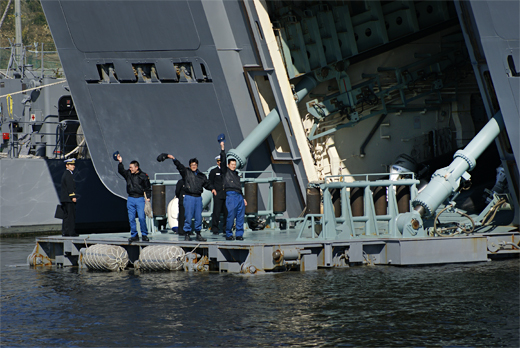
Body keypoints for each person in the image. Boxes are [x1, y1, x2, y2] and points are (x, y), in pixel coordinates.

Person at [166, 154, 216, 241]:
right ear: (190, 166)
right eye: (192, 165)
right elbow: (180, 167)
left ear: (197, 166)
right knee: (188, 216)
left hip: (198, 198)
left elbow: (207, 183)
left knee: (198, 217)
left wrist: (212, 188)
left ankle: (198, 234)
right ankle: (187, 234)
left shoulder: (201, 176)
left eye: (195, 165)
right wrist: (174, 159)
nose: (194, 166)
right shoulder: (186, 173)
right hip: (189, 197)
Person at [117, 154, 152, 242]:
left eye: (131, 167)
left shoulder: (143, 175)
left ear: (136, 167)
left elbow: (148, 187)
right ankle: (134, 235)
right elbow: (121, 171)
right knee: (131, 218)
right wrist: (120, 162)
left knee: (141, 218)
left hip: (140, 198)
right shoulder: (128, 174)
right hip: (131, 198)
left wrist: (148, 197)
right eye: (129, 167)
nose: (130, 169)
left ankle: (144, 234)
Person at [219, 139, 247, 240]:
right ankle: (229, 234)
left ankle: (239, 234)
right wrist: (222, 149)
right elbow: (222, 161)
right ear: (228, 165)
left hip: (239, 196)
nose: (234, 166)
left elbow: (239, 187)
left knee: (240, 216)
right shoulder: (225, 172)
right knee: (231, 216)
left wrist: (243, 198)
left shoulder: (236, 174)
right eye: (232, 164)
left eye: (235, 164)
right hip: (230, 195)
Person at [208, 155, 227, 235]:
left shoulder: (226, 171)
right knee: (217, 212)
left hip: (226, 194)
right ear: (217, 162)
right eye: (218, 161)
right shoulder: (213, 171)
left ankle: (226, 228)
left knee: (227, 212)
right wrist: (212, 189)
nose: (220, 162)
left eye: (221, 161)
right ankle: (215, 228)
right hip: (218, 194)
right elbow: (210, 182)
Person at [60, 158, 78, 237]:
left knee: (66, 216)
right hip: (68, 199)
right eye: (71, 165)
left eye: (73, 165)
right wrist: (73, 196)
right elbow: (70, 186)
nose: (73, 166)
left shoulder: (65, 173)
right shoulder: (68, 174)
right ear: (67, 165)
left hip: (64, 198)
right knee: (71, 215)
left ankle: (66, 232)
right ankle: (71, 232)